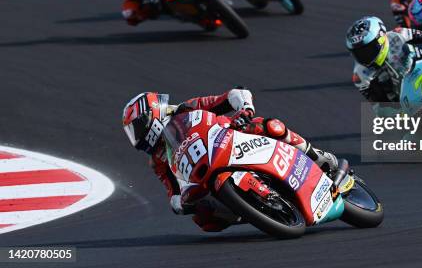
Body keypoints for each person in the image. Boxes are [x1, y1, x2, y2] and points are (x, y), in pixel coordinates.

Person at [122, 88, 338, 232]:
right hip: (207, 174)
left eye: (138, 128)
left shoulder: (188, 108)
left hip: (233, 140)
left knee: (269, 126)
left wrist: (245, 109)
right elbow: (172, 192)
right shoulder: (157, 160)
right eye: (133, 133)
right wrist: (180, 204)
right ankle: (253, 211)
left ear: (152, 113)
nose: (138, 136)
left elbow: (234, 94)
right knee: (203, 221)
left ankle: (316, 156)